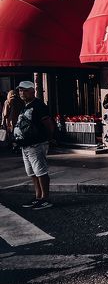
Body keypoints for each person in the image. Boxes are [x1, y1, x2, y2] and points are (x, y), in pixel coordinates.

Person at [13, 81, 55, 209]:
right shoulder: (25, 106)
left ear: (33, 91)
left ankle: (45, 198)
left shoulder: (39, 105)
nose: (22, 93)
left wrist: (49, 138)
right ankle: (38, 196)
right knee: (32, 172)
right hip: (25, 145)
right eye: (20, 90)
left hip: (36, 144)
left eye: (25, 90)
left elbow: (48, 124)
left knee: (41, 171)